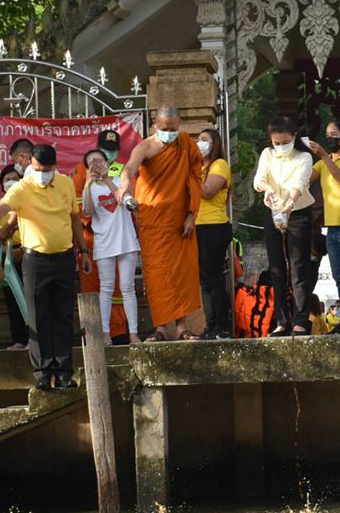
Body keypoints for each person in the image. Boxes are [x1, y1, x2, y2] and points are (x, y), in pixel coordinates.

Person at [0, 144, 92, 390]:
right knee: (38, 316)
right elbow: (0, 210)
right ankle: (42, 372)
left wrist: (83, 250)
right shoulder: (22, 187)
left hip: (64, 258)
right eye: (37, 169)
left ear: (55, 167)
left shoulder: (65, 184)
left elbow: (74, 217)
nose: (41, 174)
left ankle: (64, 371)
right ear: (31, 166)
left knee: (63, 315)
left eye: (46, 170)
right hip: (35, 260)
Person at [120, 106, 202, 342]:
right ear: (155, 124)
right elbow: (129, 169)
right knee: (158, 274)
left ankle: (182, 328)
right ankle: (161, 328)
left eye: (174, 129)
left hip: (180, 221)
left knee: (182, 274)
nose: (170, 134)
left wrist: (191, 215)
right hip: (154, 221)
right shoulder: (145, 147)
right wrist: (124, 187)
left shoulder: (186, 145)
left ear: (179, 125)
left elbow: (195, 180)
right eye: (165, 128)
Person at [254, 117, 315, 336]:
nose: (280, 147)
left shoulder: (304, 157)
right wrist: (268, 189)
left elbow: (300, 183)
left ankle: (300, 320)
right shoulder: (267, 154)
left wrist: (290, 204)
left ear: (294, 136)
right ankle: (281, 320)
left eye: (285, 142)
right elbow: (259, 180)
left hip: (297, 212)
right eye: (276, 143)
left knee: (298, 267)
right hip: (273, 211)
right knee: (276, 268)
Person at [73, 130, 129, 343]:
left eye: (113, 150)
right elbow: (78, 208)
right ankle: (94, 333)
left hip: (118, 237)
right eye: (105, 149)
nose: (109, 154)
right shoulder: (81, 171)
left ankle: (118, 331)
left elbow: (129, 200)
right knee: (92, 287)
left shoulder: (122, 170)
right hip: (91, 238)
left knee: (118, 287)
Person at [81, 149, 141, 345]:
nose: (96, 164)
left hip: (126, 241)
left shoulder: (119, 180)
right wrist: (88, 184)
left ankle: (133, 334)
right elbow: (87, 211)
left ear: (107, 163)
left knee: (127, 288)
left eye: (100, 160)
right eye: (92, 162)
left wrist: (107, 179)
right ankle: (105, 334)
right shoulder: (89, 188)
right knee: (106, 289)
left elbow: (126, 200)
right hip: (104, 243)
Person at [309, 119, 340, 334]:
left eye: (334, 135)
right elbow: (305, 179)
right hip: (330, 227)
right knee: (339, 277)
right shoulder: (324, 161)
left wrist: (322, 155)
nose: (329, 139)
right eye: (327, 135)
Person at [197, 128, 233, 339]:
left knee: (214, 277)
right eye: (198, 139)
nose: (199, 143)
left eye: (204, 140)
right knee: (204, 280)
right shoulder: (196, 167)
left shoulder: (219, 164)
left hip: (214, 226)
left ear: (214, 144)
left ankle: (222, 325)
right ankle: (210, 325)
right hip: (197, 226)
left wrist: (189, 175)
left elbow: (208, 191)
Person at [0, 166, 28, 349]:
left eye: (15, 178)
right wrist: (5, 249)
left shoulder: (28, 201)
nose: (11, 181)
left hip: (28, 252)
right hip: (7, 256)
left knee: (31, 298)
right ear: (1, 184)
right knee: (13, 298)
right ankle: (19, 339)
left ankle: (34, 340)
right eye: (7, 179)